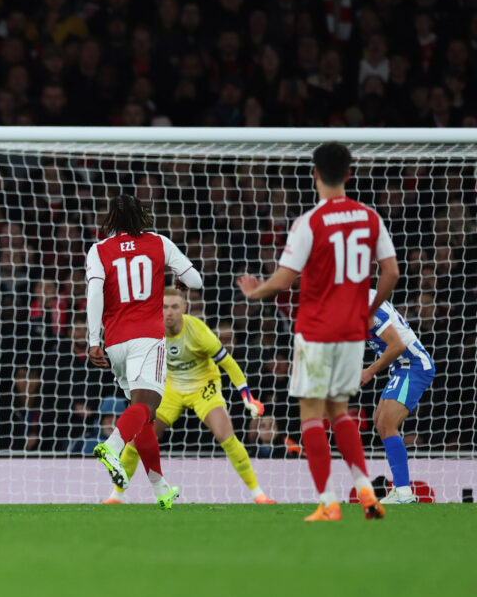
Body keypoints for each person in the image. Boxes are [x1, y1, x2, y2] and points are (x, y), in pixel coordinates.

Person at [238, 141, 399, 521]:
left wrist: (254, 291)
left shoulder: (308, 222)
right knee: (340, 411)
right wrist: (368, 310)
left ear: (315, 174)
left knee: (311, 414)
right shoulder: (370, 218)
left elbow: (283, 280)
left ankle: (328, 503)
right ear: (348, 174)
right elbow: (391, 272)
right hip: (351, 332)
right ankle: (365, 491)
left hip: (315, 331)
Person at [104, 288, 275, 504]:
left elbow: (228, 363)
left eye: (175, 307)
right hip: (171, 390)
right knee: (138, 440)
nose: (169, 312)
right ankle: (116, 496)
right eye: (164, 306)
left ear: (184, 308)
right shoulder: (149, 332)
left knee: (226, 436)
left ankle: (258, 494)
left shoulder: (198, 331)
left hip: (203, 387)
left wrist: (247, 396)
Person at [87, 194, 203, 509]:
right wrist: (181, 280)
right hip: (148, 339)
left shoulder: (98, 250)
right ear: (142, 217)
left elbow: (95, 292)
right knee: (149, 404)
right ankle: (112, 445)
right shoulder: (159, 242)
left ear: (111, 218)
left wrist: (92, 340)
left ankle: (160, 488)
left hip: (114, 342)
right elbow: (195, 279)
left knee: (144, 417)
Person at [362, 289, 435, 505]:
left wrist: (369, 371)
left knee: (387, 422)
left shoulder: (368, 306)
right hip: (400, 367)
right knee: (380, 422)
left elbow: (398, 345)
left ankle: (404, 492)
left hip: (414, 365)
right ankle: (399, 488)